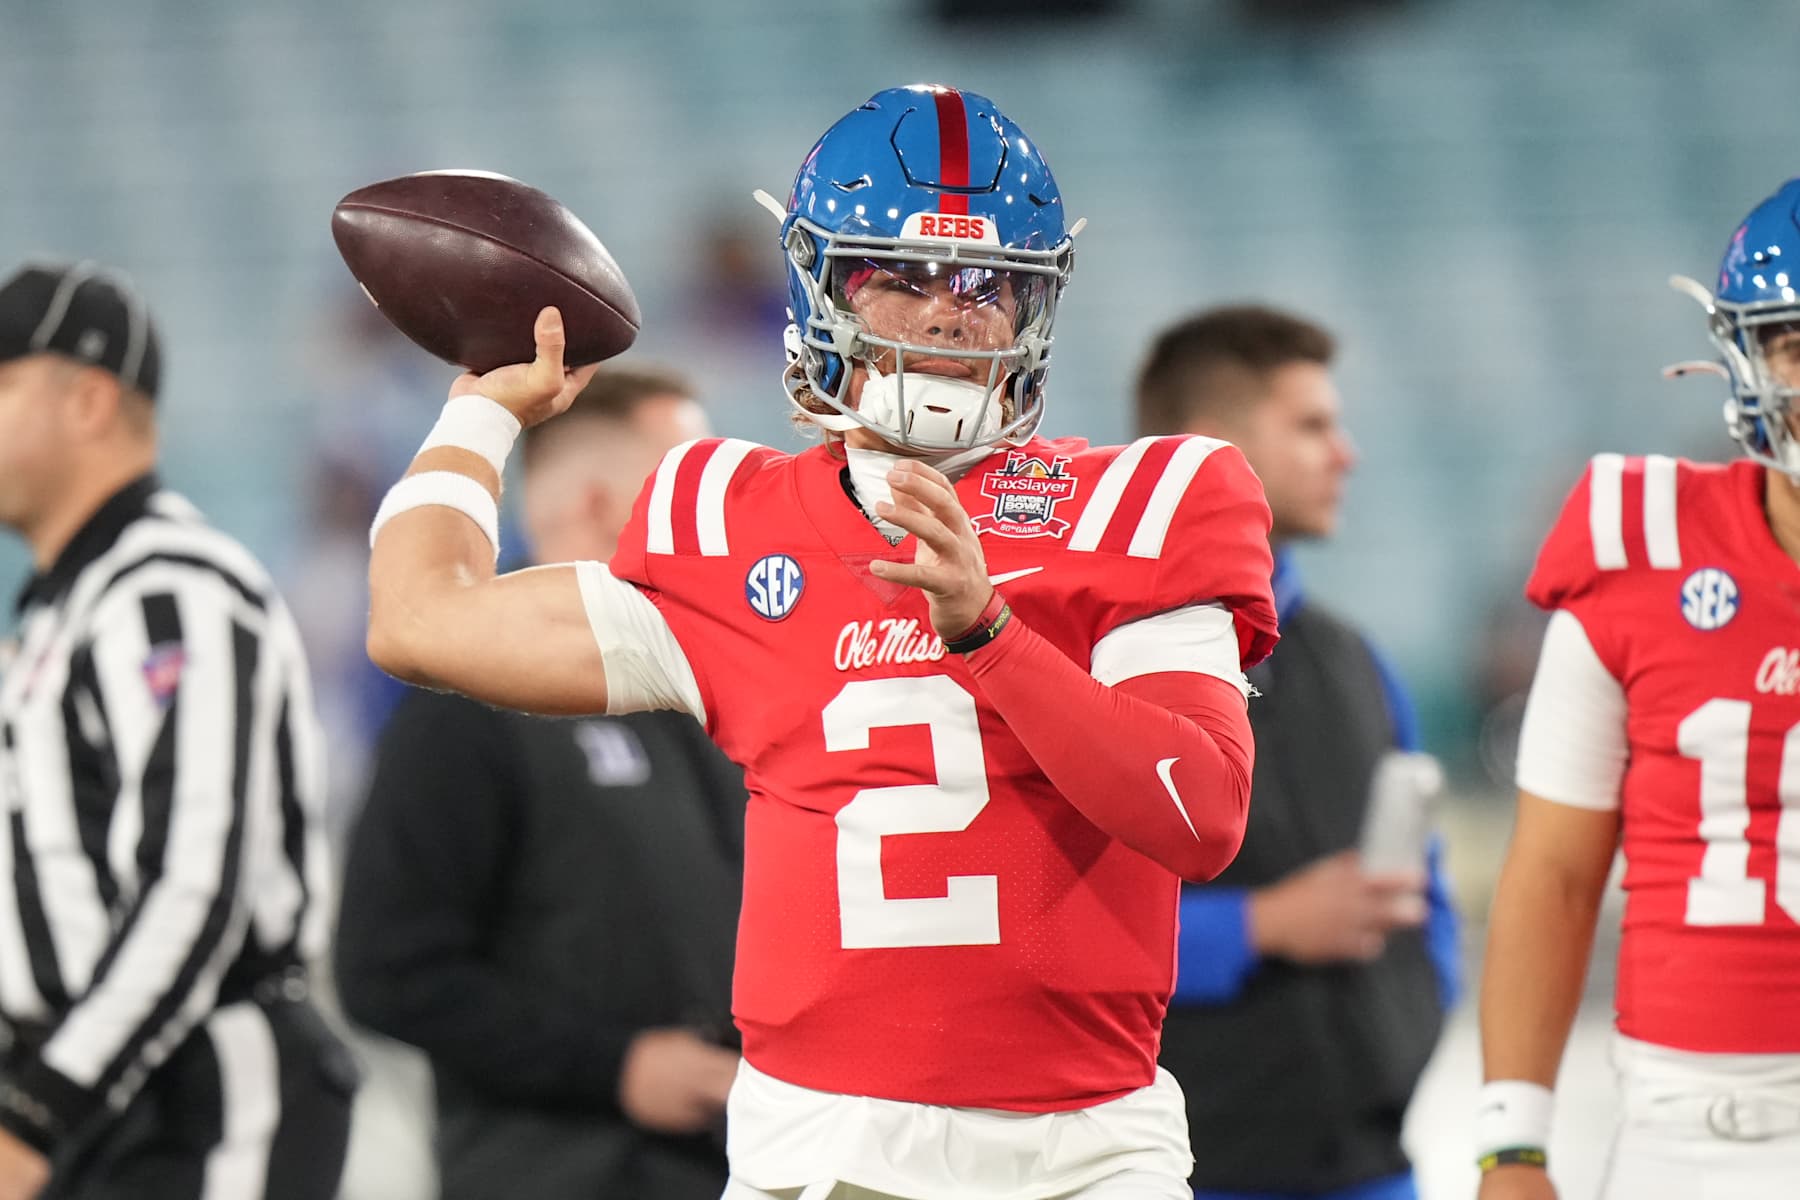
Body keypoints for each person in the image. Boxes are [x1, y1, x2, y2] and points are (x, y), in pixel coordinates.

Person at [363, 84, 1281, 1200]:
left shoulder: (1145, 500)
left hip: (1084, 1158)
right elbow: (419, 621)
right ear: (822, 288)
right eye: (903, 279)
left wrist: (992, 638)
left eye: (988, 284)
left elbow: (1200, 815)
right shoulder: (723, 517)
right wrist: (484, 410)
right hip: (823, 1154)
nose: (951, 314)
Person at [334, 365, 746, 1200]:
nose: (723, 522)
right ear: (597, 505)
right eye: (685, 487)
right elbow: (384, 966)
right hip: (553, 1173)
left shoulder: (695, 690)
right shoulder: (467, 701)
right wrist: (614, 1066)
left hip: (721, 1169)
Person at [0, 261, 355, 1200]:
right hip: (95, 1092)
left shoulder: (167, 591)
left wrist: (38, 1110)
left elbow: (191, 882)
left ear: (87, 399)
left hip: (195, 1091)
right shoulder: (62, 613)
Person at [1477, 177, 1800, 1200]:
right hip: (1702, 1131)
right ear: (1745, 357)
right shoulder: (1641, 542)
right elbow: (1555, 873)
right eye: (1799, 344)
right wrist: (1512, 1143)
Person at [1134, 306, 1461, 1200]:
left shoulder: (1356, 659)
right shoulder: (1098, 654)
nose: (1345, 453)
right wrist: (1261, 925)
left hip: (1372, 1164)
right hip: (1185, 1172)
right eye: (1312, 426)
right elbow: (1039, 917)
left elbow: (1428, 896)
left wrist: (1413, 1027)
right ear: (1214, 448)